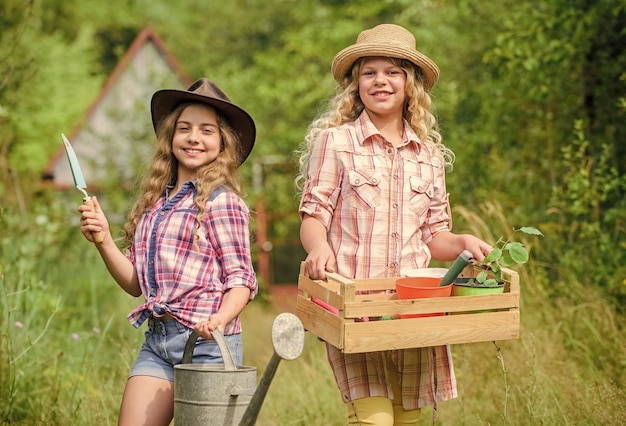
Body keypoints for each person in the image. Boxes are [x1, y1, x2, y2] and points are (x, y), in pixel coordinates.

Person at [296, 24, 493, 425]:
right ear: (356, 84)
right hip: (357, 304)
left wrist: (462, 242)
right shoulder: (336, 143)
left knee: (408, 420)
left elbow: (435, 236)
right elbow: (313, 214)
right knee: (374, 420)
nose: (380, 81)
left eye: (393, 72)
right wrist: (318, 246)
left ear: (410, 85)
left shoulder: (429, 157)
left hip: (415, 307)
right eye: (369, 72)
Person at [78, 78, 258, 426]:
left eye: (207, 130)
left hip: (208, 346)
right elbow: (135, 283)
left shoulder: (224, 203)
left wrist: (220, 318)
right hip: (158, 343)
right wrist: (102, 239)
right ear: (170, 138)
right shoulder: (154, 206)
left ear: (222, 143)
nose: (194, 137)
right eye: (184, 128)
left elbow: (241, 280)